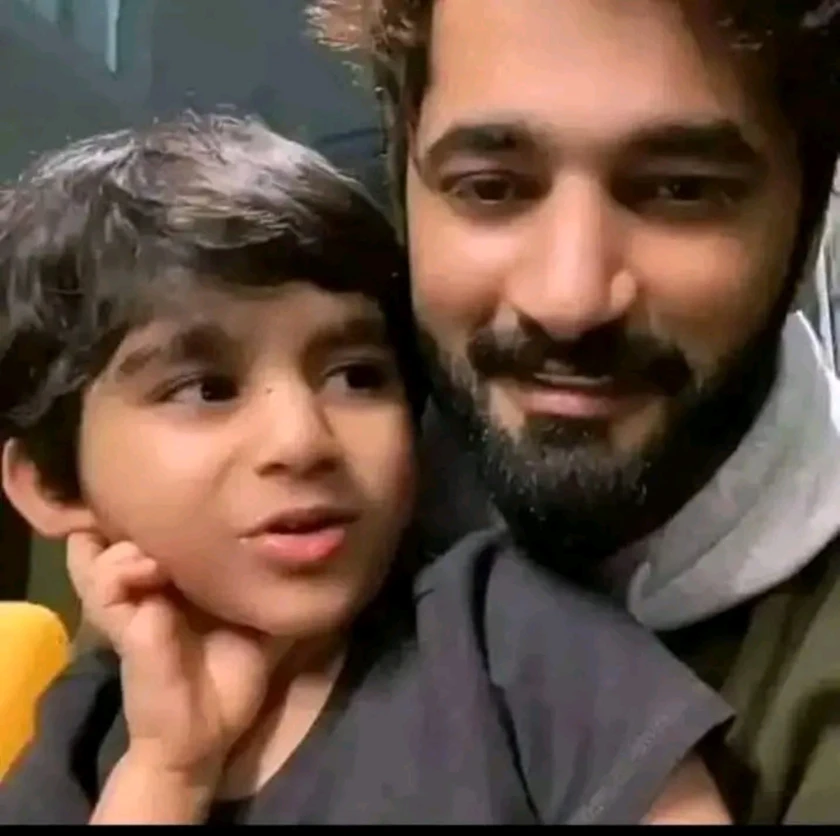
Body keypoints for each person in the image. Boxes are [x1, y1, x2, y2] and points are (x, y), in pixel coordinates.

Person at [0, 114, 731, 824]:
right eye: (206, 390)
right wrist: (169, 771)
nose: (302, 440)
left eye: (356, 376)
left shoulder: (510, 637)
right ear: (52, 483)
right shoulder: (83, 739)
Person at [308, 0, 840, 824]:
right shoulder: (270, 507)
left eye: (681, 190)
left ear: (807, 213)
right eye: (491, 187)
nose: (569, 299)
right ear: (405, 178)